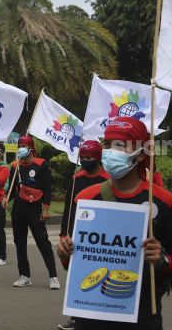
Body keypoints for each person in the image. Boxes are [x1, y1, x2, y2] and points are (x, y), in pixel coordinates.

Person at [57, 117, 172, 329]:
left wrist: (162, 260)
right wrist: (65, 254)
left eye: (119, 145)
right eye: (107, 144)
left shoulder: (164, 202)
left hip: (142, 316)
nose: (109, 151)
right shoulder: (85, 199)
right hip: (90, 314)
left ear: (139, 154)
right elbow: (76, 262)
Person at [57, 140, 109, 330]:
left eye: (90, 158)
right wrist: (64, 233)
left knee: (101, 276)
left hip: (101, 237)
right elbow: (68, 209)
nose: (86, 161)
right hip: (77, 235)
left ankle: (102, 315)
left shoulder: (108, 179)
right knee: (77, 276)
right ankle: (76, 317)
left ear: (98, 158)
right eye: (83, 158)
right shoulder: (76, 179)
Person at [3, 135, 60, 289]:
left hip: (35, 208)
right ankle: (24, 275)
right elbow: (13, 188)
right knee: (19, 242)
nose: (21, 148)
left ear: (31, 148)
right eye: (19, 145)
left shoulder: (41, 165)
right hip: (19, 209)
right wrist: (6, 199)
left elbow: (47, 188)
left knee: (43, 242)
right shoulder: (16, 167)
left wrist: (46, 208)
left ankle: (53, 276)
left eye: (24, 145)